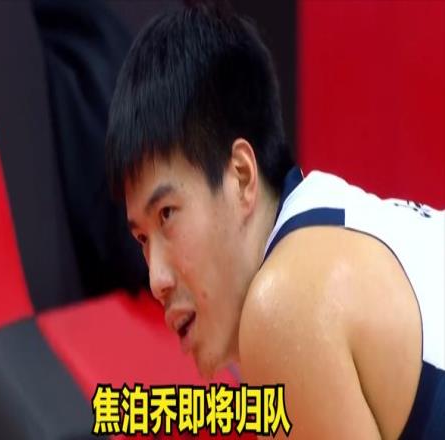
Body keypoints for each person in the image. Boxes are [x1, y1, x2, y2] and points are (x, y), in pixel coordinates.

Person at [105, 3, 445, 438]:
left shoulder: (285, 306)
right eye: (142, 239)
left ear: (241, 176)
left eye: (167, 215)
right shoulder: (336, 226)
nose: (157, 280)